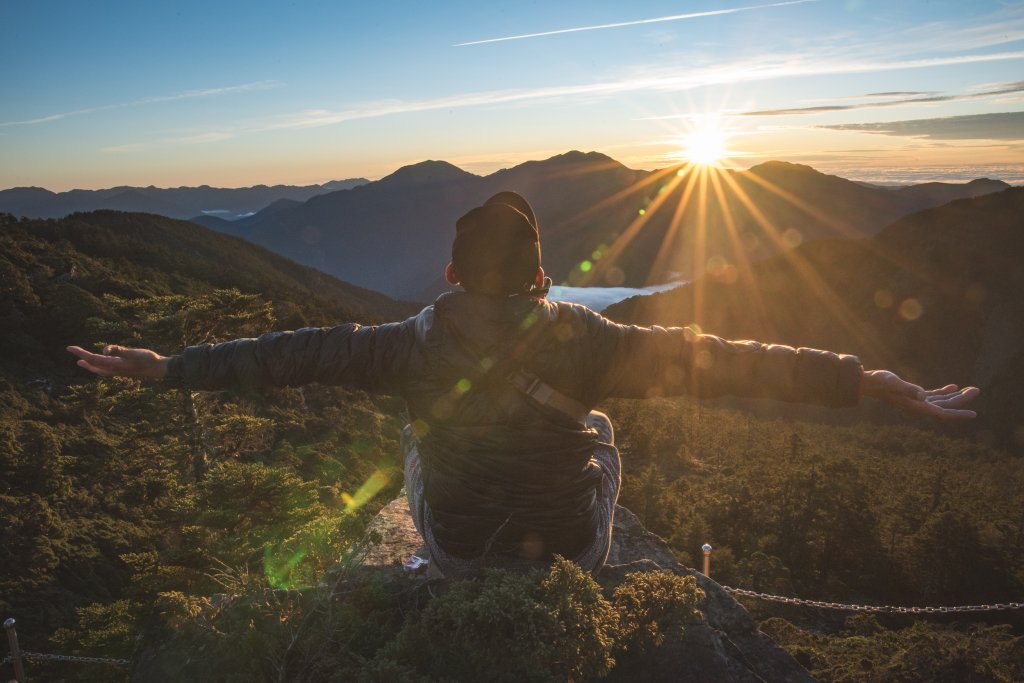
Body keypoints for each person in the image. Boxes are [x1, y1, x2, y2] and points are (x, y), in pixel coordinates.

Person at [67, 192, 979, 579]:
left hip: (459, 546)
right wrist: (862, 377)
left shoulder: (400, 347)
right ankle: (581, 552)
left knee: (420, 435)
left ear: (453, 274)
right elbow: (727, 357)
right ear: (544, 281)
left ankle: (436, 556)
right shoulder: (590, 339)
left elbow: (288, 354)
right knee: (605, 430)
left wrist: (170, 367)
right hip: (573, 553)